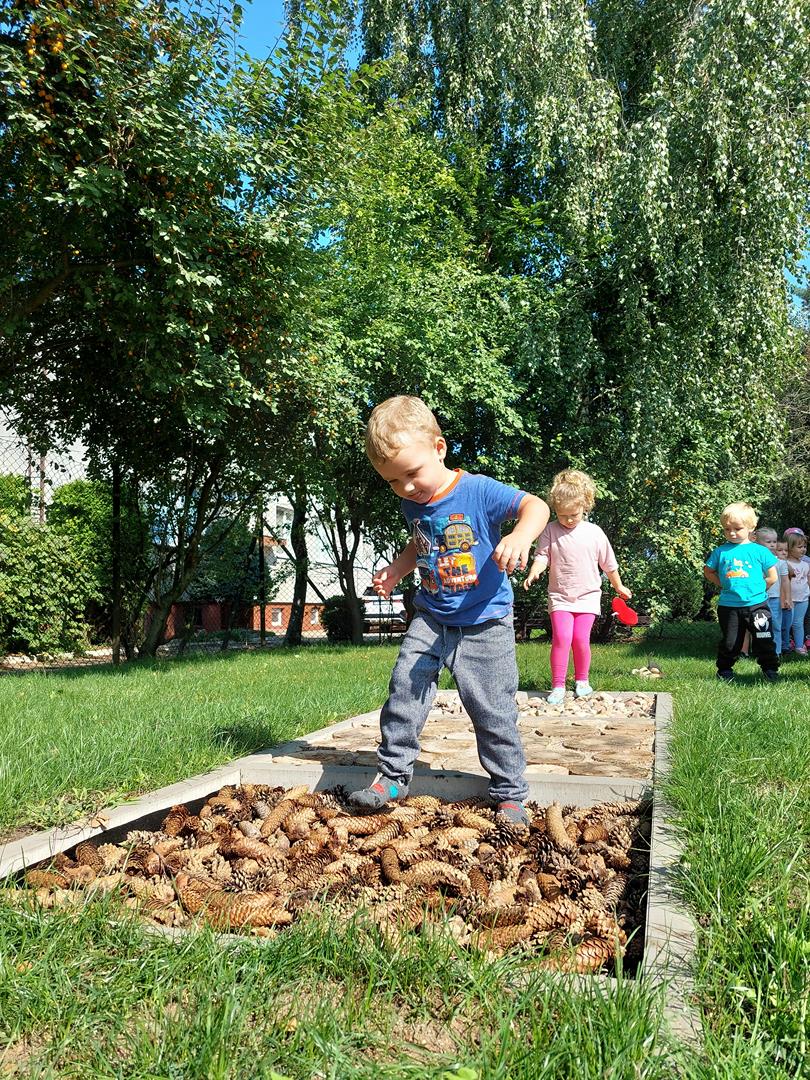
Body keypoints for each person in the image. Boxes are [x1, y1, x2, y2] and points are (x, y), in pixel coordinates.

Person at [347, 395, 550, 827]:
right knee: (404, 690)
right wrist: (397, 570)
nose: (405, 488)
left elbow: (536, 506)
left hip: (485, 620)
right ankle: (393, 776)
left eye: (412, 474)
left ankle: (510, 794)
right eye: (393, 481)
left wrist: (520, 536)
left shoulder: (477, 490)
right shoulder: (412, 501)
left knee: (492, 709)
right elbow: (420, 543)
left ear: (439, 448)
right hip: (432, 617)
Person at [523, 469, 631, 705]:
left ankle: (582, 680)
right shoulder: (550, 530)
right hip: (560, 596)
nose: (569, 520)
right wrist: (535, 571)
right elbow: (542, 556)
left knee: (580, 639)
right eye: (562, 515)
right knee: (562, 637)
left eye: (574, 514)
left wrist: (619, 585)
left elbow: (609, 564)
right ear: (555, 509)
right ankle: (558, 685)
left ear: (585, 506)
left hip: (588, 596)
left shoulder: (594, 533)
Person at [704, 502, 779, 682]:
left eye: (737, 529)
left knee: (764, 638)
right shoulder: (720, 552)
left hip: (757, 605)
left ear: (751, 527)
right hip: (729, 607)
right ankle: (724, 670)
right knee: (731, 642)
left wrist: (757, 591)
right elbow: (708, 572)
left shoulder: (760, 551)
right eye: (727, 529)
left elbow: (772, 577)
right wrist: (724, 584)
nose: (731, 533)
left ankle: (770, 669)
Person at [755, 527, 790, 657]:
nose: (772, 545)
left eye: (774, 542)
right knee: (760, 626)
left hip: (775, 598)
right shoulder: (755, 561)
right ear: (758, 543)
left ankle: (777, 651)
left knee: (775, 625)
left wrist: (787, 598)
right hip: (758, 598)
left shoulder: (780, 563)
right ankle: (761, 651)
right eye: (768, 542)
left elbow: (785, 581)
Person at [784, 527, 810, 650]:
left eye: (804, 546)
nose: (803, 549)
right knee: (786, 624)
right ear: (789, 547)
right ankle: (785, 645)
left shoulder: (806, 565)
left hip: (803, 599)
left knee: (798, 623)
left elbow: (808, 581)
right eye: (800, 547)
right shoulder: (784, 563)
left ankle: (799, 646)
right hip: (788, 599)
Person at [774, 537, 793, 654]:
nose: (784, 553)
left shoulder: (785, 564)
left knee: (786, 625)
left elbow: (792, 573)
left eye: (786, 550)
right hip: (777, 600)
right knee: (777, 625)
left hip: (786, 600)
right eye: (780, 550)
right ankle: (777, 647)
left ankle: (785, 646)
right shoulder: (774, 564)